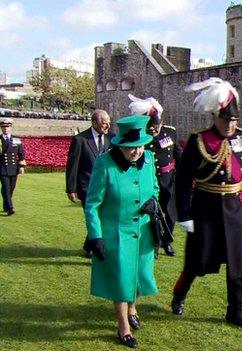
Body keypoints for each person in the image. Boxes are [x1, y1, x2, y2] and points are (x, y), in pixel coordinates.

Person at [171, 78, 242, 329]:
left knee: (236, 264)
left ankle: (235, 311)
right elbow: (183, 180)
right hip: (205, 209)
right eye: (225, 119)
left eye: (234, 120)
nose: (230, 125)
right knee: (196, 262)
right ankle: (179, 295)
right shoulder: (199, 141)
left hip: (233, 210)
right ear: (215, 117)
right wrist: (185, 214)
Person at [84, 115, 159, 348]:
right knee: (121, 279)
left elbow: (154, 187)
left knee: (139, 276)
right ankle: (123, 326)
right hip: (116, 232)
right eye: (130, 147)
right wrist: (95, 235)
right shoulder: (104, 163)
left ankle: (133, 307)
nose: (136, 151)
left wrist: (153, 202)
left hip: (144, 231)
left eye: (139, 146)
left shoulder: (148, 159)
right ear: (120, 145)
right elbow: (92, 204)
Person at [128, 94, 181, 256]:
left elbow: (178, 154)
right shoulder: (141, 138)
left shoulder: (170, 133)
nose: (153, 130)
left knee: (170, 214)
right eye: (150, 127)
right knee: (152, 213)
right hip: (149, 180)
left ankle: (167, 242)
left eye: (156, 127)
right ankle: (154, 242)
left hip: (168, 179)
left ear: (161, 123)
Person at [65, 109, 111, 257]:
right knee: (94, 215)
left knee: (102, 215)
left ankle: (88, 245)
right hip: (86, 186)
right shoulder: (80, 140)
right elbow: (73, 165)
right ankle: (92, 247)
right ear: (94, 123)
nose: (107, 126)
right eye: (104, 123)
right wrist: (71, 189)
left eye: (109, 123)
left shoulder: (110, 139)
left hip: (105, 186)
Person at [0, 118, 26, 215]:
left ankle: (5, 205)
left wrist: (21, 166)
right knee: (6, 188)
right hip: (2, 168)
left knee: (11, 188)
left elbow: (21, 154)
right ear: (1, 128)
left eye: (7, 127)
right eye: (3, 127)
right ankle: (10, 208)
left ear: (10, 128)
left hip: (13, 167)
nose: (5, 129)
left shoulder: (16, 140)